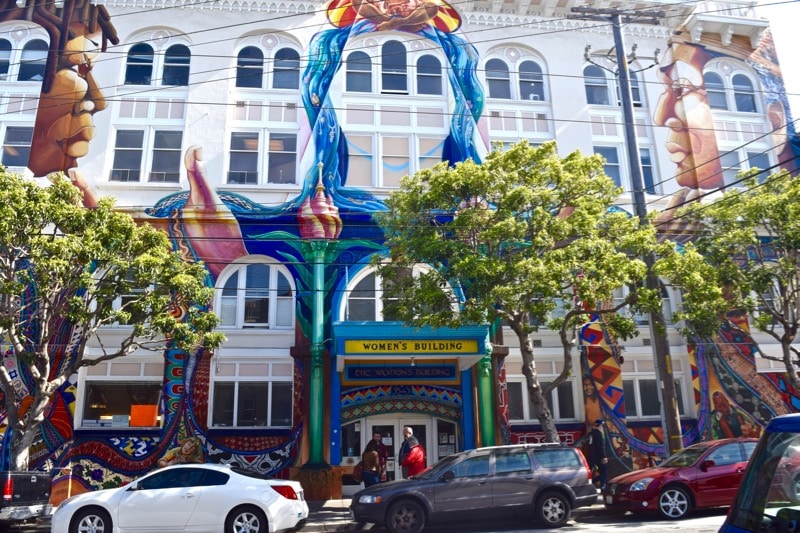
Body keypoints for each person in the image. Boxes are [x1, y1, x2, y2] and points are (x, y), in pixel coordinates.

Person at [587, 419, 608, 489]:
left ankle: (601, 486)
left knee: (601, 472)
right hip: (599, 458)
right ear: (600, 425)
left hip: (592, 457)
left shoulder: (591, 434)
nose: (602, 427)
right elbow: (600, 446)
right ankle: (601, 486)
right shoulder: (598, 434)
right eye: (602, 425)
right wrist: (603, 457)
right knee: (604, 473)